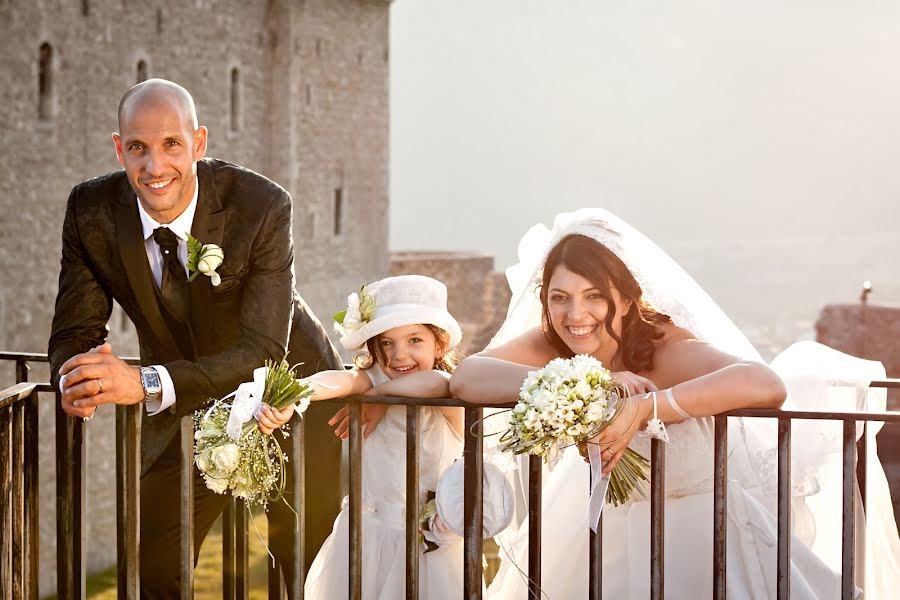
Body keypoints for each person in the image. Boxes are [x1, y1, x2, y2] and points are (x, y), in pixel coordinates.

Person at [450, 209, 900, 598]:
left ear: (625, 299)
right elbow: (469, 377)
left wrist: (647, 408)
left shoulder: (662, 345)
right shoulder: (556, 346)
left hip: (700, 536)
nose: (575, 315)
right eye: (560, 298)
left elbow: (764, 383)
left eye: (593, 296)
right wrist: (584, 385)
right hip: (597, 531)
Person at [48, 78, 342, 597]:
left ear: (199, 144)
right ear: (119, 149)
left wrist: (144, 382)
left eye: (171, 145)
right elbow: (75, 330)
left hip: (285, 397)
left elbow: (263, 348)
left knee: (304, 568)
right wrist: (79, 378)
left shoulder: (261, 206)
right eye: (137, 148)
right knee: (156, 563)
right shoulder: (90, 211)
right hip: (187, 411)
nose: (154, 167)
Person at [269, 274, 467, 599]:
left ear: (440, 344)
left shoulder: (446, 390)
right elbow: (341, 380)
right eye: (387, 342)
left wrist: (381, 397)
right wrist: (299, 391)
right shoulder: (371, 378)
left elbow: (434, 383)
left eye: (414, 340)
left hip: (424, 541)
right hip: (366, 535)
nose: (399, 355)